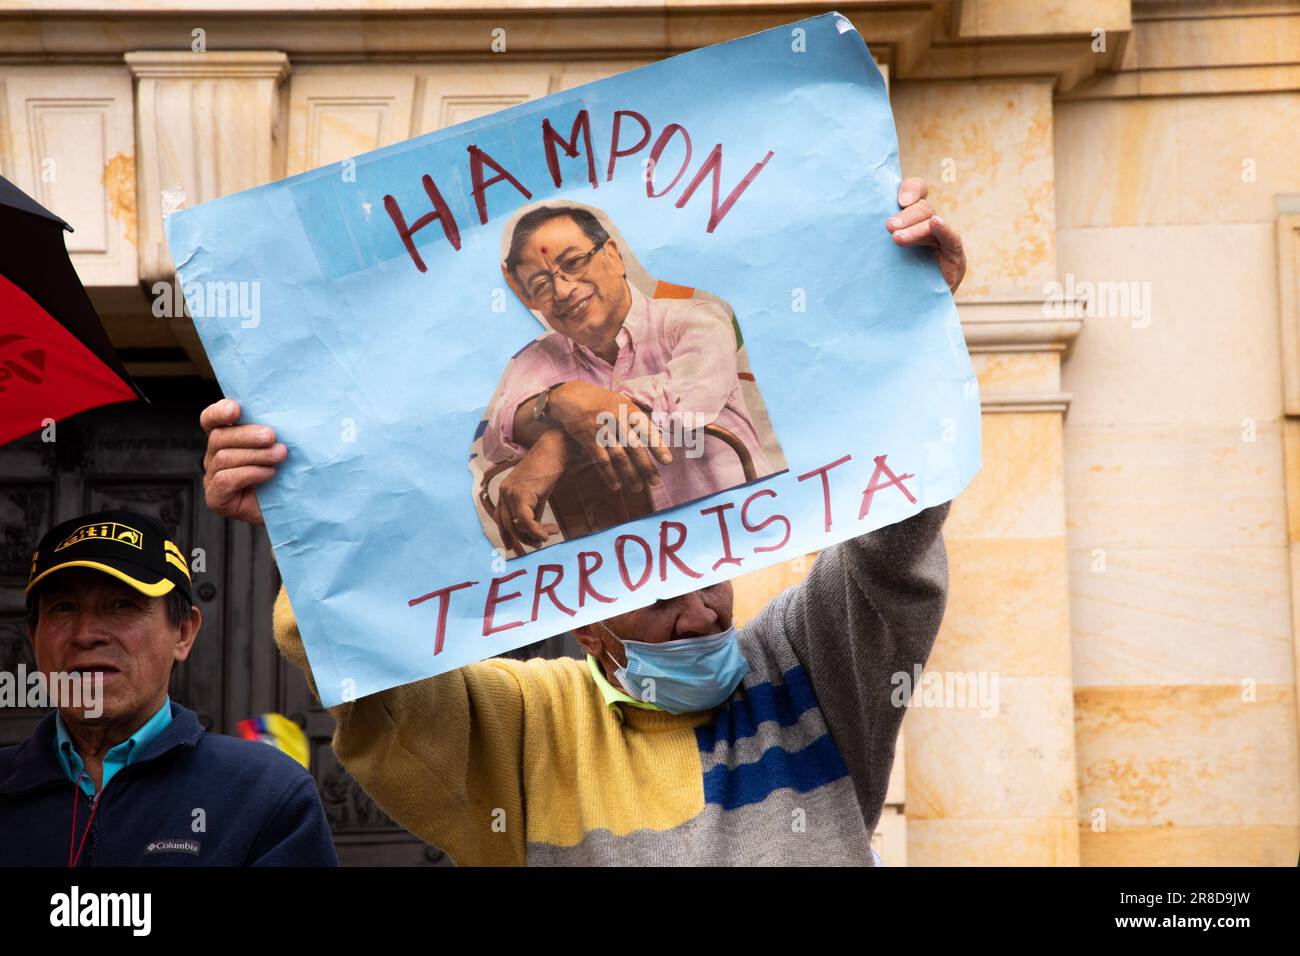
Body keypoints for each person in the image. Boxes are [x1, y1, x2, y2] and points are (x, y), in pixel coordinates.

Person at [200, 177, 966, 865]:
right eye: (660, 597)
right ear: (585, 621)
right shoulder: (525, 727)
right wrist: (302, 513)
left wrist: (910, 332)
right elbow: (370, 663)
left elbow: (890, 546)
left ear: (611, 254)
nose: (700, 611)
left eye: (708, 576)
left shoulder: (808, 667)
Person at [0, 509, 338, 866]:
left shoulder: (266, 795)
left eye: (122, 605)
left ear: (183, 632)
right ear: (33, 635)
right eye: (63, 608)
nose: (86, 635)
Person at [483, 201, 782, 552]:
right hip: (632, 569)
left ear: (612, 254)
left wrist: (559, 441)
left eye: (573, 263)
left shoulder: (696, 320)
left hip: (742, 538)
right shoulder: (537, 360)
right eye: (541, 284)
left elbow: (685, 403)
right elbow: (497, 436)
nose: (562, 291)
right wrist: (561, 400)